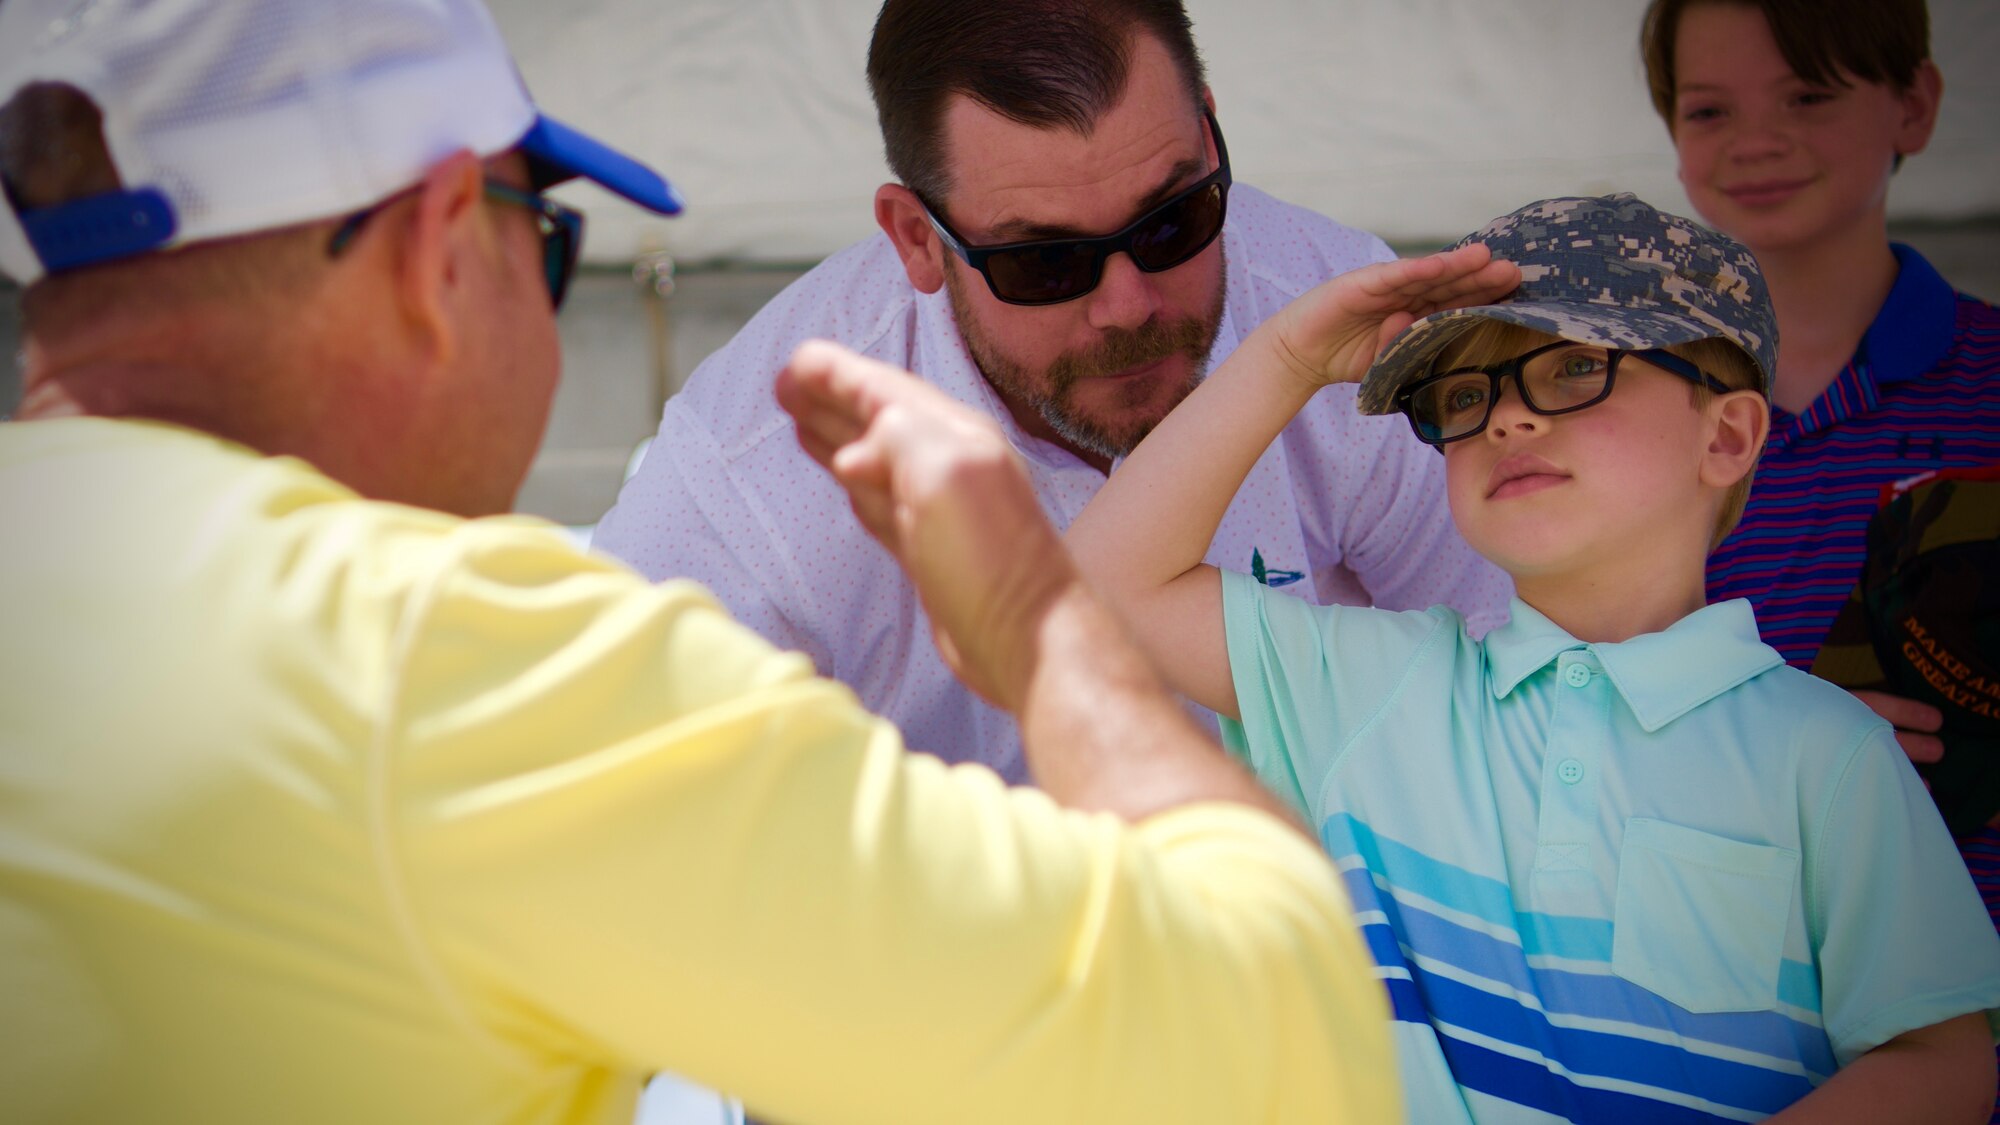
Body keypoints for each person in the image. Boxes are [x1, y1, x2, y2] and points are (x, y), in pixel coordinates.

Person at [0, 2, 1405, 1122]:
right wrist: (1047, 624)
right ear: (442, 248)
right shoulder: (457, 667)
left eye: (1173, 223)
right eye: (550, 240)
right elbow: (1272, 1030)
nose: (1131, 296)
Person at [1065, 193, 2000, 1122]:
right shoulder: (1367, 690)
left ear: (1726, 436)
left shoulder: (1829, 752)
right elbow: (1101, 585)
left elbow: (1941, 1061)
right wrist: (1287, 358)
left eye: (1572, 369)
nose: (1505, 421)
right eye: (1465, 397)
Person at [592, 0, 1510, 782]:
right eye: (1045, 262)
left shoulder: (1342, 314)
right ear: (915, 238)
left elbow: (1520, 700)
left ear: (1209, 133)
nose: (1129, 305)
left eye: (1173, 220)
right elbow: (627, 804)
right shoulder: (756, 467)